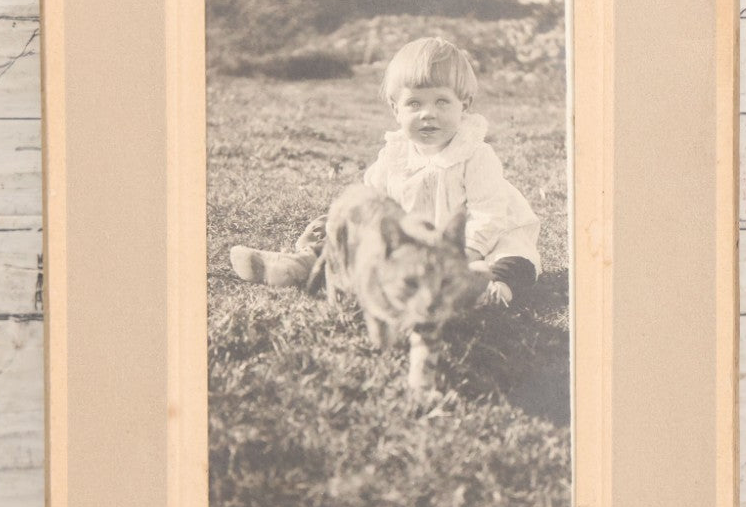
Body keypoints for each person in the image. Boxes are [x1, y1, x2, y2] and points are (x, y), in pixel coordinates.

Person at [230, 36, 541, 306]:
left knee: (513, 259)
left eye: (442, 102)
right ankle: (299, 265)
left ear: (465, 104)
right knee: (349, 228)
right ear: (395, 108)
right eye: (414, 103)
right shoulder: (395, 155)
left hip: (483, 238)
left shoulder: (475, 155)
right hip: (419, 241)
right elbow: (370, 200)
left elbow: (489, 213)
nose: (428, 114)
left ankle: (486, 291)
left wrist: (467, 254)